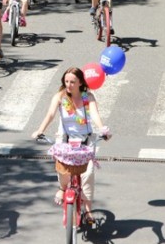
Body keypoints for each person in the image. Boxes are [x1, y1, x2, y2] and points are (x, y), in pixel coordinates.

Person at [31, 67, 111, 222]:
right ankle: (62, 188)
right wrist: (39, 130)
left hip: (85, 139)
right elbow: (51, 114)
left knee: (87, 174)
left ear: (80, 82)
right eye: (66, 81)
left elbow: (94, 114)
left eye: (72, 82)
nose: (69, 85)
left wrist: (103, 129)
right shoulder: (60, 97)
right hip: (65, 138)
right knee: (63, 169)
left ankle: (88, 210)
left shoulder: (88, 97)